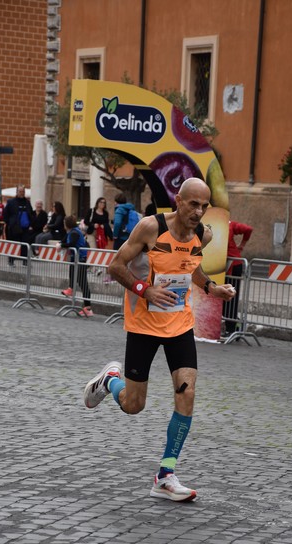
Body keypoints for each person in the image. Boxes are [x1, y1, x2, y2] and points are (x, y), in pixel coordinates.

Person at [83, 177, 236, 502]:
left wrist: (211, 288)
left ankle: (165, 475)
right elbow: (115, 266)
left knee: (187, 392)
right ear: (178, 201)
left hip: (179, 324)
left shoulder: (202, 235)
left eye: (204, 206)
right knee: (134, 405)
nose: (198, 211)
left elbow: (190, 266)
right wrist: (145, 289)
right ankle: (110, 381)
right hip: (143, 325)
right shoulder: (149, 228)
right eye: (193, 204)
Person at [59, 215, 93, 317]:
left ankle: (88, 308)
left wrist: (61, 246)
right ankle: (70, 289)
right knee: (73, 274)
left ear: (67, 224)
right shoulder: (71, 232)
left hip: (80, 260)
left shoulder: (74, 232)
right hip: (75, 259)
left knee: (83, 283)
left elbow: (72, 243)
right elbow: (64, 240)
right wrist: (61, 243)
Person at [223, 220, 253, 335]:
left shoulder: (229, 224)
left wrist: (242, 245)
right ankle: (233, 325)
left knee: (230, 298)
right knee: (223, 298)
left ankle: (232, 328)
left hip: (233, 265)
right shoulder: (227, 224)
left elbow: (248, 229)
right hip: (221, 266)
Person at [3, 184, 33, 265]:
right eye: (20, 191)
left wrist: (31, 223)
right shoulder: (11, 202)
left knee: (25, 244)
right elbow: (5, 214)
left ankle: (25, 261)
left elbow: (31, 213)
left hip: (25, 228)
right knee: (13, 244)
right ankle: (11, 261)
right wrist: (9, 223)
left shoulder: (27, 202)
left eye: (23, 191)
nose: (22, 193)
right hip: (14, 228)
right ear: (17, 192)